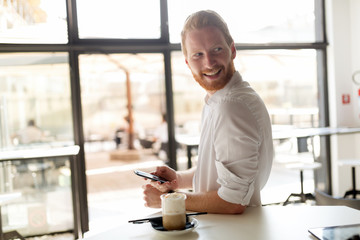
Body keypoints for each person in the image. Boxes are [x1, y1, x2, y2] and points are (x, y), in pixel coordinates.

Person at [142, 10, 273, 214]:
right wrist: (176, 179)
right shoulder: (219, 99)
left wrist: (167, 199)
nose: (209, 63)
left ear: (233, 50)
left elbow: (233, 202)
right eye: (198, 54)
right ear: (187, 62)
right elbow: (220, 172)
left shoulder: (231, 106)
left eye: (217, 49)